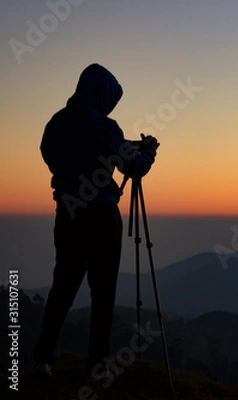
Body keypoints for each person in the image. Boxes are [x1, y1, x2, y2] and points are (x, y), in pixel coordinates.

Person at [34, 63, 159, 378]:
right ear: (103, 93)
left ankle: (43, 359)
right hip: (101, 216)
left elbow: (54, 151)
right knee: (103, 290)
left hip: (68, 212)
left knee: (63, 285)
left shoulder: (58, 122)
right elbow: (134, 168)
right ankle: (98, 360)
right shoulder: (106, 127)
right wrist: (149, 152)